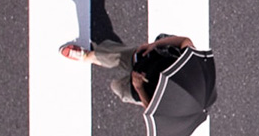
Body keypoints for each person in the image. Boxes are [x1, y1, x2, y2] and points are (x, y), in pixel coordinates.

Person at [58, 34, 196, 107]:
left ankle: (92, 56)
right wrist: (155, 45)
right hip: (149, 60)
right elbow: (185, 41)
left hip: (140, 89)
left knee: (117, 87)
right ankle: (87, 56)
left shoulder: (177, 107)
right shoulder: (193, 67)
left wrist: (139, 87)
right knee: (117, 55)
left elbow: (152, 110)